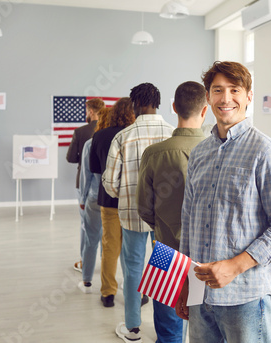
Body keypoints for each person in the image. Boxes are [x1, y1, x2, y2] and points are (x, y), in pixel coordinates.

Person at [176, 61, 271, 343]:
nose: (225, 98)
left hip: (246, 296)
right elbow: (188, 220)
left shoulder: (266, 151)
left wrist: (234, 266)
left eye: (234, 90)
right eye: (218, 90)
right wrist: (184, 281)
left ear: (249, 96)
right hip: (199, 294)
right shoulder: (199, 153)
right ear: (208, 97)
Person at [103, 83, 174, 342]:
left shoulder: (123, 136)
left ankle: (133, 327)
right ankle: (165, 329)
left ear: (135, 104)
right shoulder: (173, 133)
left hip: (132, 215)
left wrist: (125, 194)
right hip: (166, 218)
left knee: (133, 267)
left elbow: (110, 184)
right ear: (157, 103)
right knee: (163, 268)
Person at [137, 81, 207, 343]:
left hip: (165, 249)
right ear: (205, 110)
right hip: (209, 256)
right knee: (205, 328)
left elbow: (144, 208)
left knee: (167, 331)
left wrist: (164, 227)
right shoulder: (219, 152)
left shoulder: (154, 153)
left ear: (174, 107)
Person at [89, 99, 136, 305]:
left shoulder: (99, 135)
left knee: (109, 247)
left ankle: (108, 293)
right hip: (134, 200)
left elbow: (95, 169)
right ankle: (136, 293)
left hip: (108, 199)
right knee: (133, 250)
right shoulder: (135, 135)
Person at [67, 98, 105, 272]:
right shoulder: (107, 130)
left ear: (90, 111)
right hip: (105, 185)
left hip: (84, 183)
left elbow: (70, 158)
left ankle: (85, 262)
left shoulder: (81, 131)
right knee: (107, 227)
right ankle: (106, 263)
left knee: (86, 225)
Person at [77, 108, 110, 293]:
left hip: (93, 198)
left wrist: (82, 198)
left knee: (91, 239)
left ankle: (87, 280)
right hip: (111, 199)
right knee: (109, 241)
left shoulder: (90, 143)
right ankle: (107, 281)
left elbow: (85, 175)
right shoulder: (116, 141)